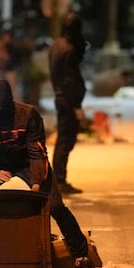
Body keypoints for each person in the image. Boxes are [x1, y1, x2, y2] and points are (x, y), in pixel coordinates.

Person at [0, 78, 94, 268]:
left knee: (55, 206)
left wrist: (37, 182)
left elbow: (38, 153)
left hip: (28, 163)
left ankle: (82, 257)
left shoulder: (27, 115)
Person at [48, 12, 88, 195]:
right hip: (67, 100)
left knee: (63, 140)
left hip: (60, 97)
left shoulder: (56, 46)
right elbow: (71, 80)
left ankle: (59, 179)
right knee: (65, 141)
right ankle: (59, 180)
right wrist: (77, 106)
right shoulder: (70, 50)